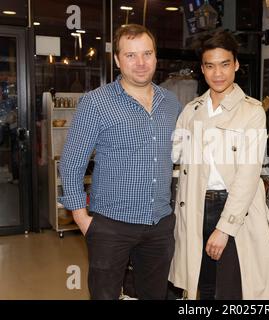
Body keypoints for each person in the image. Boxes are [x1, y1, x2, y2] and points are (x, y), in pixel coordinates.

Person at [59, 24, 182, 300]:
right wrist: (82, 219)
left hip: (159, 223)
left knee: (155, 295)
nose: (140, 63)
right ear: (116, 59)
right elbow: (71, 163)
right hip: (110, 226)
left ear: (155, 56)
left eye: (147, 54)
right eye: (130, 55)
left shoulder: (172, 103)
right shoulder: (96, 103)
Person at [169, 31, 269, 300]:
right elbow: (175, 157)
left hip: (235, 208)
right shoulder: (191, 111)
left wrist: (224, 228)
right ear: (202, 69)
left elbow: (248, 177)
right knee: (204, 284)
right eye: (210, 66)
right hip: (195, 206)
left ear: (236, 64)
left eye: (225, 64)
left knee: (235, 288)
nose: (218, 73)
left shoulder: (252, 111)